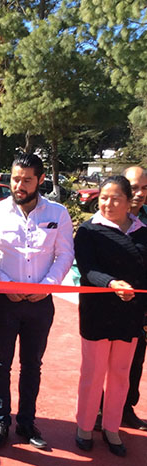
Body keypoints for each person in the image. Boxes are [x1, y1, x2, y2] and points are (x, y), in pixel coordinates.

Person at [0, 152, 74, 450]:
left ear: (40, 180)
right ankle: (0, 421)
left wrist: (47, 286)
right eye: (15, 179)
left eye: (26, 180)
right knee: (0, 364)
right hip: (5, 301)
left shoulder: (58, 213)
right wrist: (5, 286)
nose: (19, 186)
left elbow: (65, 254)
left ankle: (26, 422)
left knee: (32, 365)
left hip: (40, 303)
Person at [74, 175, 147, 457]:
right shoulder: (89, 230)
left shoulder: (142, 232)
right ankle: (84, 426)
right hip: (97, 312)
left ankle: (112, 428)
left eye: (116, 198)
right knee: (92, 373)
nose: (108, 203)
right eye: (104, 198)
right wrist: (112, 283)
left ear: (129, 202)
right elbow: (88, 269)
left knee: (120, 374)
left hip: (131, 314)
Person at [117, 166, 147, 430]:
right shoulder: (107, 219)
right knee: (105, 363)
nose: (139, 193)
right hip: (107, 304)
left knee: (136, 360)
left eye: (144, 188)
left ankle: (126, 407)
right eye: (133, 187)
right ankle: (100, 409)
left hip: (140, 306)